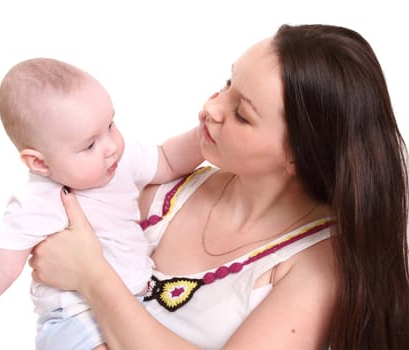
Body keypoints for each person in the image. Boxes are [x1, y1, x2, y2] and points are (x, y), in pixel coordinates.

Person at [28, 24, 409, 350]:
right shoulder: (166, 192)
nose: (211, 108)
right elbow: (51, 253)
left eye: (242, 113)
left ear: (298, 155)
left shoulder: (318, 266)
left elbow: (76, 262)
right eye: (228, 83)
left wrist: (92, 276)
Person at [0, 58, 204, 350]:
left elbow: (167, 158)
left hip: (136, 304)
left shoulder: (122, 164)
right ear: (39, 162)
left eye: (110, 125)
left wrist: (205, 134)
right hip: (77, 320)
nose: (110, 147)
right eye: (90, 144)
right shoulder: (37, 202)